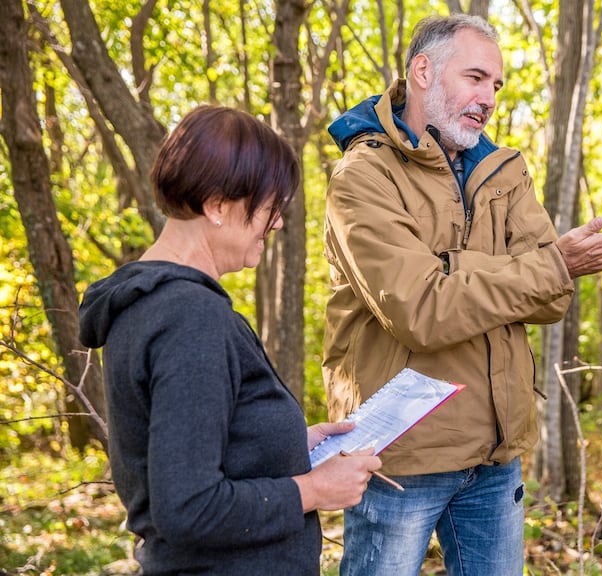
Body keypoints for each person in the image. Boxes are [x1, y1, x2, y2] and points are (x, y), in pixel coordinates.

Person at [321, 14, 602, 576]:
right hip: (398, 457)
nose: (489, 98)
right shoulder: (364, 176)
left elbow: (552, 301)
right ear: (422, 71)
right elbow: (421, 310)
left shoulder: (503, 170)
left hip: (497, 455)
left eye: (497, 86)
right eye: (476, 77)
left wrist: (463, 271)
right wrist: (540, 266)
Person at [78, 105, 382, 575]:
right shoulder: (189, 317)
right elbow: (190, 507)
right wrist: (317, 489)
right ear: (218, 205)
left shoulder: (150, 302)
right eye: (269, 207)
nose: (277, 222)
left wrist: (288, 444)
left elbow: (191, 448)